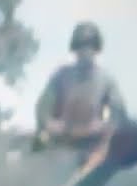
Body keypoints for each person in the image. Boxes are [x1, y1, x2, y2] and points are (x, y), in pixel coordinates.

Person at [34, 21, 130, 163]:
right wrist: (50, 124)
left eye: (89, 45)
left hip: (92, 142)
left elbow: (118, 113)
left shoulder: (106, 80)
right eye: (80, 45)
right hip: (60, 139)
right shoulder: (62, 75)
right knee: (36, 146)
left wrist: (104, 127)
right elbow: (43, 107)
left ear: (96, 48)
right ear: (74, 48)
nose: (85, 50)